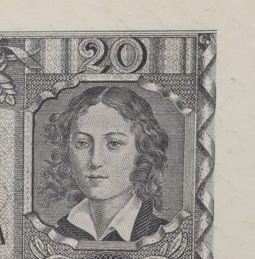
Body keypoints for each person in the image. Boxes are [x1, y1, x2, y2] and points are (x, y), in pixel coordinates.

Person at [38, 84, 169, 243]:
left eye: (114, 143)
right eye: (82, 143)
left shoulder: (162, 235)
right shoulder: (57, 235)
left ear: (143, 150)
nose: (95, 161)